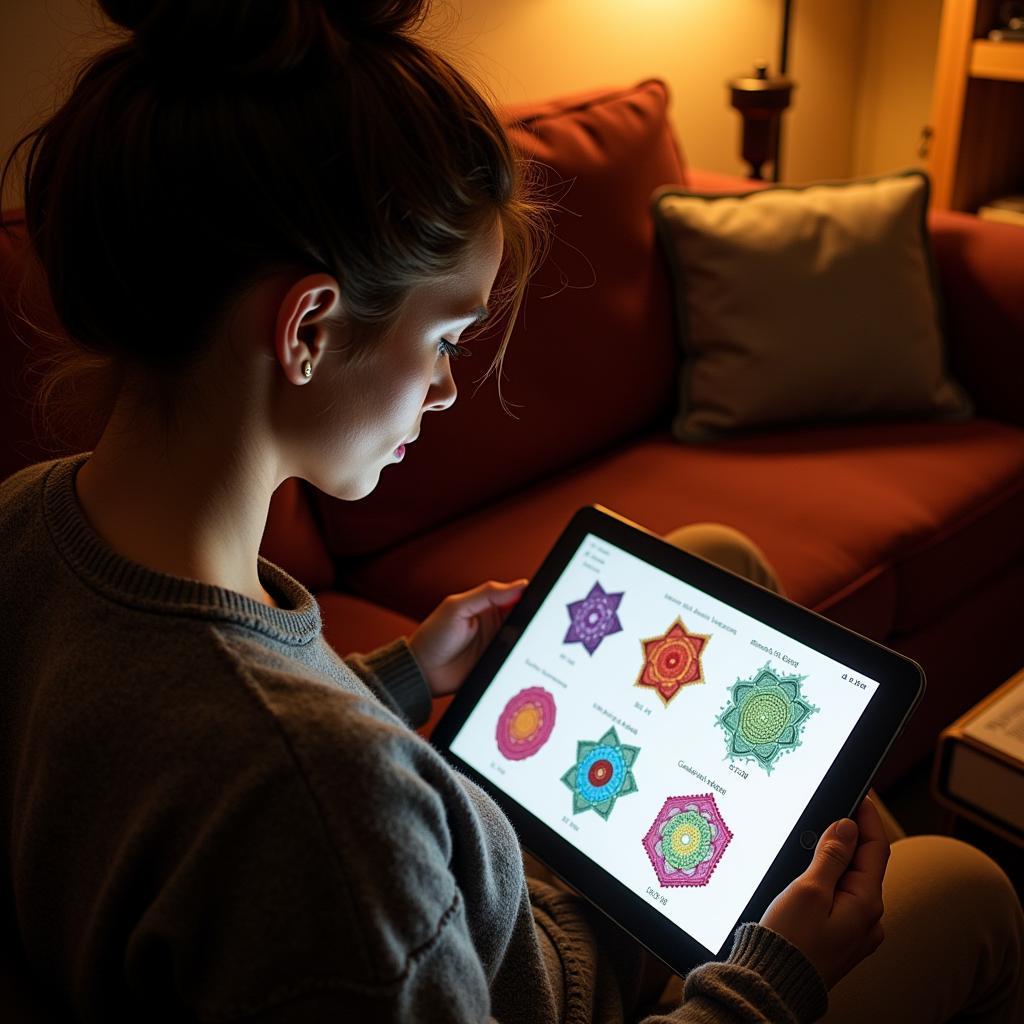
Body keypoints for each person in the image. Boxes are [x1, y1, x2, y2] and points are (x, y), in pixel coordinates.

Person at [0, 1, 1020, 1021]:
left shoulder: (32, 517)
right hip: (549, 975)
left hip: (472, 888)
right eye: (444, 338)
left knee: (712, 560)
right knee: (965, 883)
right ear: (307, 326)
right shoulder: (323, 801)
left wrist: (402, 672)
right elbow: (283, 780)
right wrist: (771, 979)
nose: (444, 390)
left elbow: (193, 732)